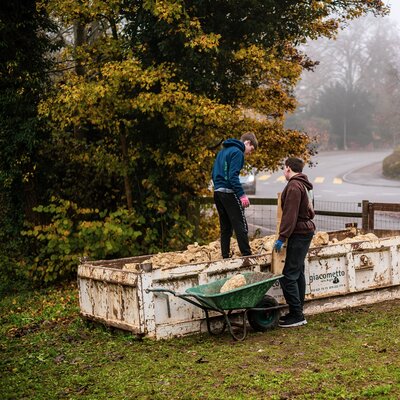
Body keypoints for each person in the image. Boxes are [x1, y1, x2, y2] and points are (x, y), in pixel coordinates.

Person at [273, 157, 315, 328]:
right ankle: (297, 311)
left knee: (288, 275)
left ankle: (297, 315)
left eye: (284, 169)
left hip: (299, 232)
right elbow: (312, 210)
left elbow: (289, 215)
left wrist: (282, 237)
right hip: (306, 230)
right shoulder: (305, 185)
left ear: (288, 168)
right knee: (298, 272)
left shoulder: (293, 186)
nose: (284, 172)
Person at [212, 132, 258, 259]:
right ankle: (246, 255)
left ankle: (225, 255)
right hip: (229, 192)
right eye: (251, 149)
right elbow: (233, 177)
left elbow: (213, 172)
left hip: (217, 192)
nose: (249, 153)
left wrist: (217, 187)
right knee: (240, 224)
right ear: (247, 143)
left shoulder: (222, 152)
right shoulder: (238, 152)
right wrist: (242, 195)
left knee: (225, 226)